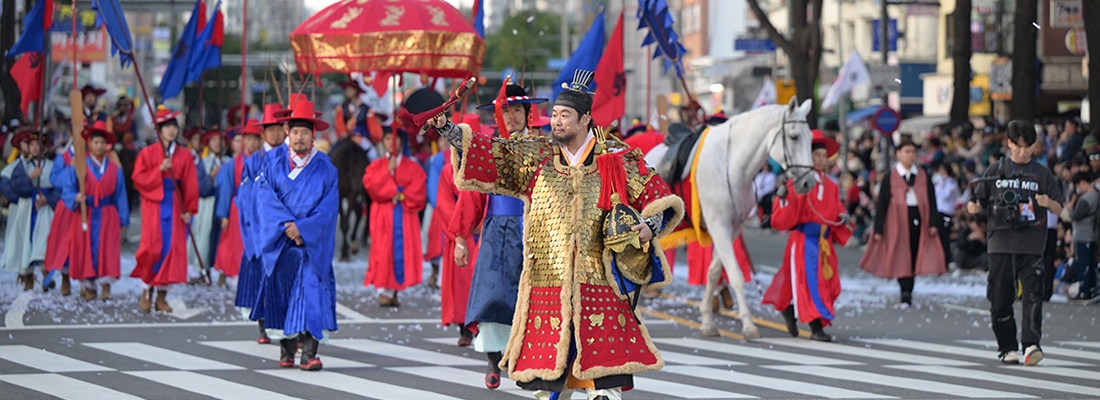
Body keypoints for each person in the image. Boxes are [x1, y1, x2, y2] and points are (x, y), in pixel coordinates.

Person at [430, 69, 684, 400]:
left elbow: (659, 197)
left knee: (604, 385)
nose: (556, 121)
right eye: (554, 114)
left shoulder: (617, 160)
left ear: (585, 120)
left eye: (565, 115)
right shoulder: (537, 156)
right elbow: (493, 156)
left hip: (601, 283)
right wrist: (448, 129)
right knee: (550, 384)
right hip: (549, 283)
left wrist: (650, 227)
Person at [460, 84, 548, 389]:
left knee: (535, 297)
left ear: (528, 114)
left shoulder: (543, 150)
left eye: (517, 111)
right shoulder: (489, 149)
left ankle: (531, 358)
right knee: (492, 296)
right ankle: (493, 362)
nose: (511, 117)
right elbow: (472, 193)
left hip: (534, 229)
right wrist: (460, 236)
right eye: (506, 111)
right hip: (497, 229)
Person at [251, 98, 339, 371]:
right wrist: (287, 226)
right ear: (287, 134)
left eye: (305, 132)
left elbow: (328, 208)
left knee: (313, 295)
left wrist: (304, 229)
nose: (299, 137)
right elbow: (264, 199)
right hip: (282, 242)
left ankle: (310, 352)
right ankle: (286, 349)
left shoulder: (326, 167)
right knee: (282, 294)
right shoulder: (273, 163)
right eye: (295, 132)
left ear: (314, 136)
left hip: (312, 246)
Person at [968, 120, 1063, 366]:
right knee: (1000, 299)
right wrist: (974, 207)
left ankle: (1031, 344)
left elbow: (1059, 206)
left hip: (1032, 244)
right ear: (1008, 143)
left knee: (1033, 295)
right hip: (999, 243)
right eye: (1018, 146)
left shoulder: (1042, 173)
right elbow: (977, 203)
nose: (1023, 151)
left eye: (1028, 146)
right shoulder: (994, 170)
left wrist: (1046, 203)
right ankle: (1007, 346)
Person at [763, 130, 851, 342]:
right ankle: (816, 326)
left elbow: (836, 207)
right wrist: (782, 198)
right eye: (817, 155)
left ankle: (788, 307)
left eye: (823, 156)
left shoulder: (831, 185)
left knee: (825, 282)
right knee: (810, 282)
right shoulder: (799, 182)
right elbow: (785, 215)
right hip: (803, 240)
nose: (821, 160)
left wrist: (843, 216)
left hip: (824, 242)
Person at [860, 138, 945, 305]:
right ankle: (905, 289)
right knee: (901, 253)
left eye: (913, 152)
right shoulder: (890, 177)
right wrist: (878, 229)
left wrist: (933, 222)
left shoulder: (923, 175)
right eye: (907, 151)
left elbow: (932, 199)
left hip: (919, 217)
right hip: (896, 220)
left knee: (914, 251)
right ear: (898, 154)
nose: (910, 155)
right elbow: (882, 204)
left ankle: (909, 286)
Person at [131, 107, 199, 312]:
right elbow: (138, 179)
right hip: (155, 205)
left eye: (173, 127)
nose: (171, 131)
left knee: (171, 251)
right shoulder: (147, 153)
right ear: (159, 130)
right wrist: (158, 170)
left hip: (176, 206)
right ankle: (146, 290)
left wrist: (190, 209)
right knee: (152, 249)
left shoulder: (185, 155)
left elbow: (190, 184)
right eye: (167, 127)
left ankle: (162, 296)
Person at [236, 104, 288, 344]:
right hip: (258, 228)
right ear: (263, 133)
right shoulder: (253, 161)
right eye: (271, 129)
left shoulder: (290, 158)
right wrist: (252, 227)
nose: (275, 134)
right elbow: (245, 198)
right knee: (259, 279)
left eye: (279, 129)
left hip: (283, 229)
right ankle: (262, 327)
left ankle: (286, 325)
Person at [61, 121, 130, 300]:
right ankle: (89, 286)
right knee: (85, 249)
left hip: (108, 214)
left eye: (102, 143)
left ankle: (106, 285)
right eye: (96, 143)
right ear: (89, 144)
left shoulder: (115, 169)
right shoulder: (79, 166)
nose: (99, 146)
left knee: (108, 250)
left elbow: (121, 195)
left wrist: (123, 220)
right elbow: (67, 188)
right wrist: (75, 197)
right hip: (86, 213)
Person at [363, 127, 427, 306]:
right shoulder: (376, 166)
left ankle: (395, 289)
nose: (391, 142)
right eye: (387, 138)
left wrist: (400, 195)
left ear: (401, 142)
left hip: (404, 214)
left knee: (403, 249)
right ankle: (385, 289)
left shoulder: (413, 166)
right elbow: (371, 186)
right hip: (383, 214)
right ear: (383, 142)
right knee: (383, 250)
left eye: (395, 139)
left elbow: (419, 190)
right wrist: (387, 173)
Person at [1, 130, 58, 291]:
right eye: (31, 144)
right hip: (26, 209)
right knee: (24, 242)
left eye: (37, 145)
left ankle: (45, 270)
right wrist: (31, 176)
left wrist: (48, 199)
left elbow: (58, 187)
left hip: (44, 208)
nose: (34, 148)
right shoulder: (21, 166)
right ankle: (27, 276)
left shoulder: (52, 166)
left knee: (44, 240)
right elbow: (14, 186)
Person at [213, 124, 256, 288]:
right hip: (237, 207)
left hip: (257, 207)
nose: (251, 142)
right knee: (235, 243)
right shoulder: (234, 163)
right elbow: (226, 189)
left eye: (255, 138)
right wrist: (223, 214)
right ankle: (233, 273)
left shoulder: (263, 159)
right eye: (248, 138)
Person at [189, 129, 229, 284]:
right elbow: (199, 188)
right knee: (204, 237)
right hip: (207, 206)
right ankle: (202, 270)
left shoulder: (229, 161)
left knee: (223, 238)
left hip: (224, 204)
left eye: (220, 140)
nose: (217, 143)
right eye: (213, 140)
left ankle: (222, 272)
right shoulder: (202, 163)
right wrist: (211, 175)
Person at [44, 132, 80, 296]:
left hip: (85, 206)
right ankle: (65, 277)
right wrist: (71, 168)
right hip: (66, 207)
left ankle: (85, 281)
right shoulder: (62, 159)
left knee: (83, 244)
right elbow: (56, 181)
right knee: (63, 245)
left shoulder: (90, 156)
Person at [1064, 172, 1098, 300]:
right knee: (1089, 264)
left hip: (1084, 235)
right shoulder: (1095, 195)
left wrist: (1069, 210)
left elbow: (1075, 215)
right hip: (1091, 235)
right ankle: (1090, 290)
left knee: (1083, 264)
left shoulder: (1087, 198)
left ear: (1082, 183)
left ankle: (1084, 291)